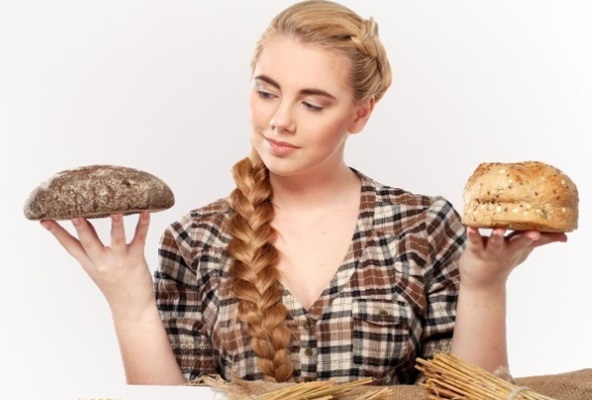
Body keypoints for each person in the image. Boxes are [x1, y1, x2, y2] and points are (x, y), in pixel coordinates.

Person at [40, 0, 567, 386]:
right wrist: (129, 301)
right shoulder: (195, 239)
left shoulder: (423, 224)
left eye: (313, 104)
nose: (279, 120)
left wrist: (484, 286)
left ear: (360, 114)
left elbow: (472, 395)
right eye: (266, 91)